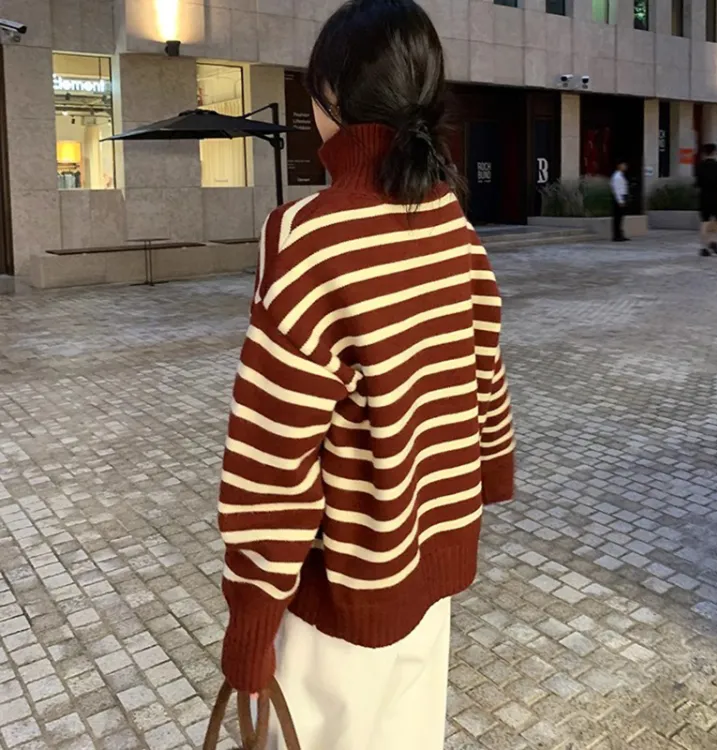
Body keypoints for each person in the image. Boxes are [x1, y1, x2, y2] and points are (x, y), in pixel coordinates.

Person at [216, 1, 515, 748]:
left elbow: (274, 449)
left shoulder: (306, 236)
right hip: (432, 567)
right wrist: (491, 470)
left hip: (343, 592)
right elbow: (483, 369)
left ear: (333, 97)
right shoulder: (452, 221)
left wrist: (252, 614)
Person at [696, 143, 717, 257]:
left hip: (704, 196)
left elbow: (697, 183)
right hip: (716, 196)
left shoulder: (699, 166)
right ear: (714, 152)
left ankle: (704, 247)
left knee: (704, 222)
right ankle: (714, 241)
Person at [610, 160, 629, 241]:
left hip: (622, 197)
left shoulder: (621, 175)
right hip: (619, 198)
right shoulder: (617, 177)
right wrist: (620, 201)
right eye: (623, 165)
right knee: (617, 218)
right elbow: (617, 190)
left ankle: (620, 234)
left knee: (620, 218)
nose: (625, 167)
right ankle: (616, 235)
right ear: (619, 166)